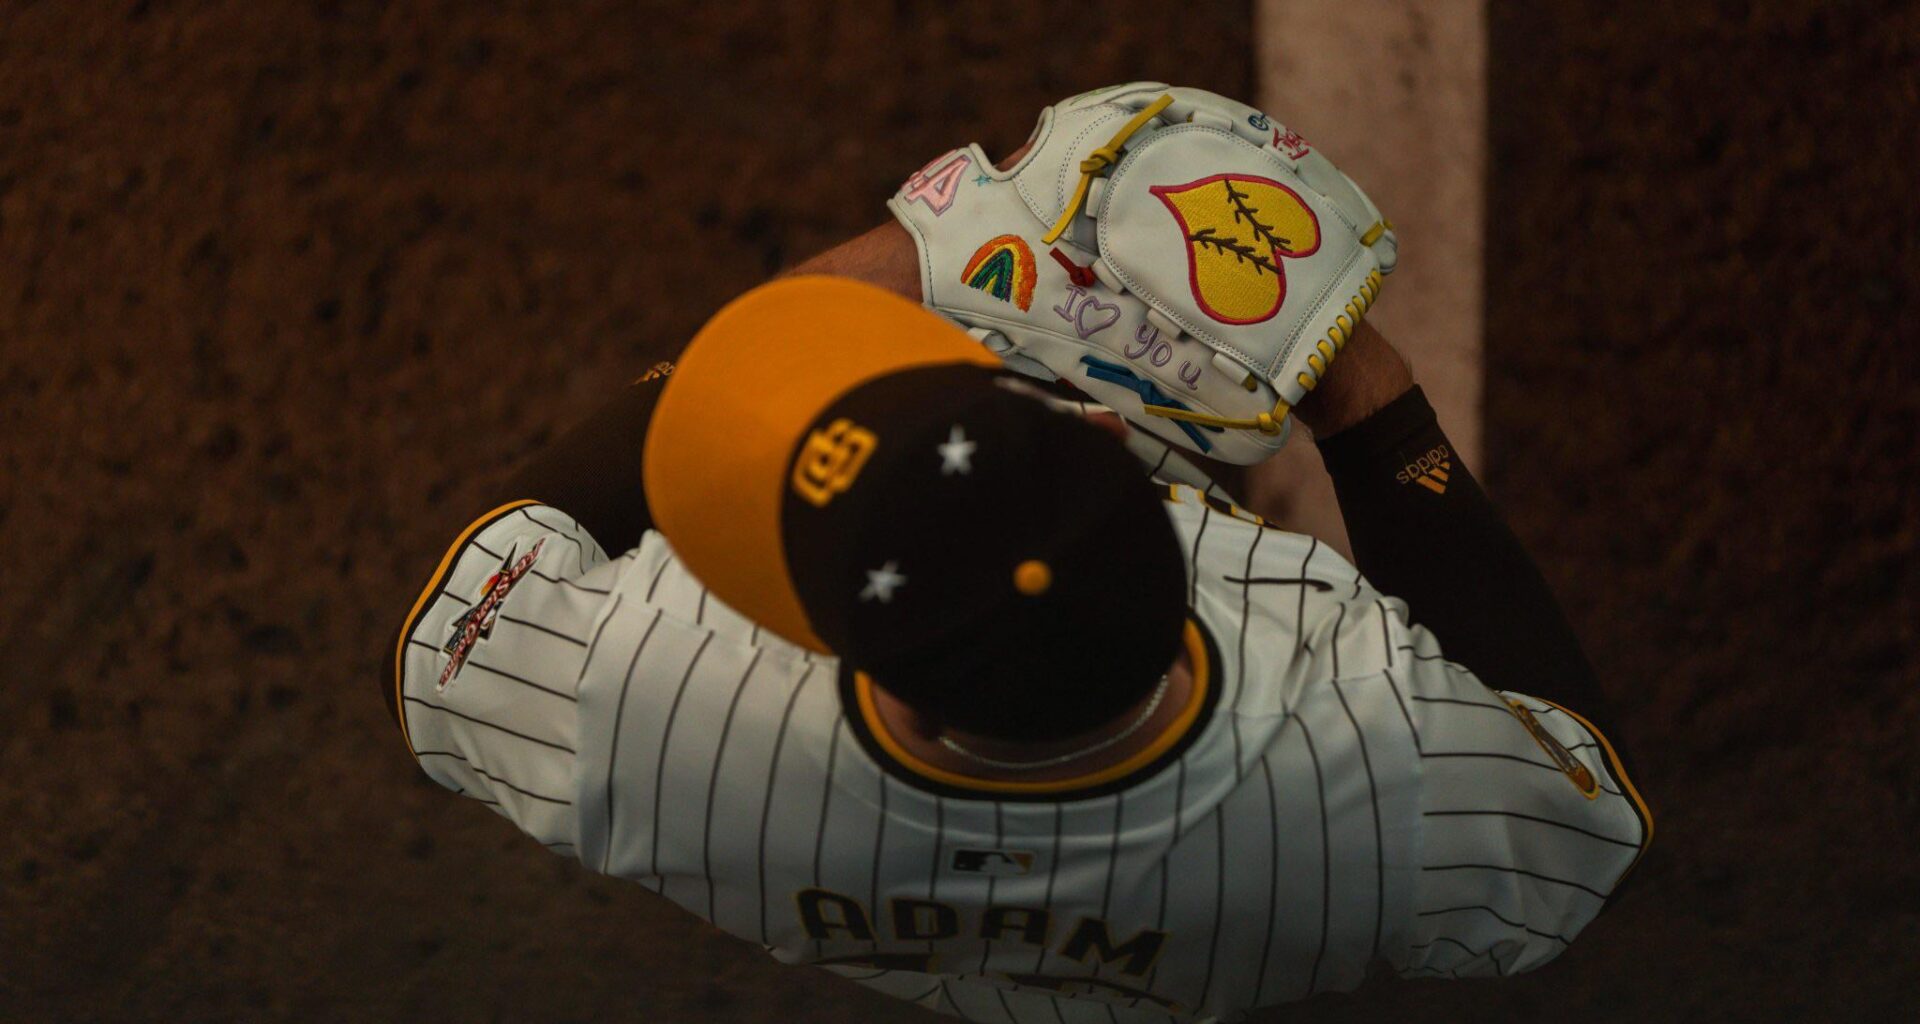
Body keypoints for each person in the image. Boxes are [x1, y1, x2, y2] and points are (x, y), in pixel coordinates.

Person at [385, 155, 1649, 1024]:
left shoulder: (661, 715)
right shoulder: (1362, 777)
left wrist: (921, 261)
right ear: (1108, 444)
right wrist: (1360, 391)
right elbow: (1583, 814)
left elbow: (465, 614)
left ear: (851, 656)